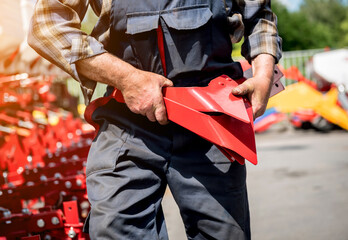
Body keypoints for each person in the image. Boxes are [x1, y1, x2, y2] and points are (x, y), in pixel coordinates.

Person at [28, 0, 282, 239]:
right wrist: (126, 78)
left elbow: (258, 15)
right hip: (128, 121)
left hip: (212, 123)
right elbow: (47, 25)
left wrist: (263, 74)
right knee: (114, 228)